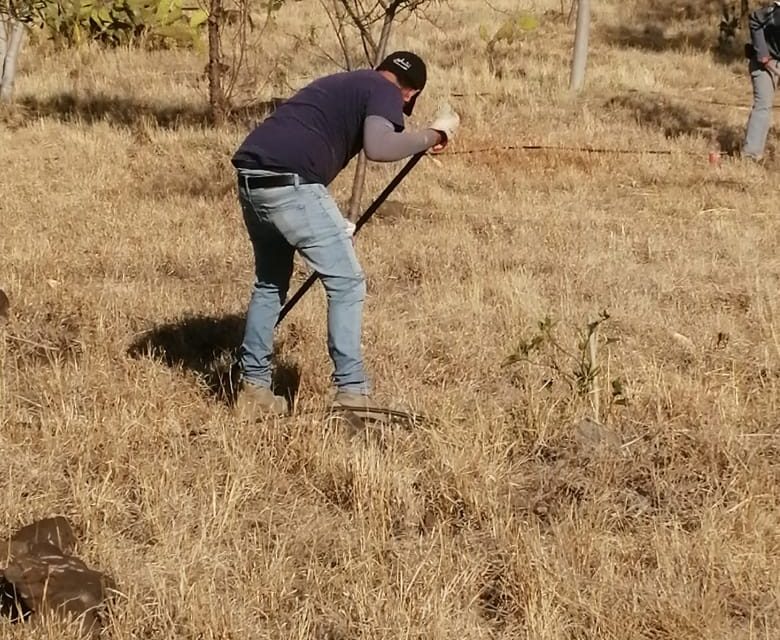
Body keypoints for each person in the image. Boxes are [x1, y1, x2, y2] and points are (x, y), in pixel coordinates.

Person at [230, 51, 460, 419]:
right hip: (293, 184)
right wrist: (435, 133)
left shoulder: (345, 82)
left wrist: (332, 224)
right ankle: (351, 392)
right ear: (409, 94)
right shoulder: (385, 90)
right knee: (347, 282)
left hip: (252, 178)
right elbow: (380, 147)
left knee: (270, 283)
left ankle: (254, 389)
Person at [743, 1, 780, 160]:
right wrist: (763, 54)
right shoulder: (773, 12)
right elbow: (754, 19)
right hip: (765, 63)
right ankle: (750, 156)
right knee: (763, 105)